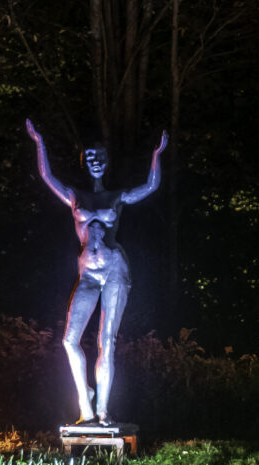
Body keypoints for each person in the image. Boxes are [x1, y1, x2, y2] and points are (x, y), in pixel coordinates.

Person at [26, 121, 168, 425]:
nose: (95, 160)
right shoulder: (74, 196)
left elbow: (151, 185)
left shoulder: (117, 196)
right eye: (89, 155)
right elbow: (46, 176)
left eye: (100, 155)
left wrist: (157, 154)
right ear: (83, 160)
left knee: (107, 339)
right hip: (88, 273)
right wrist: (39, 141)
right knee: (69, 340)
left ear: (107, 160)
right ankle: (85, 402)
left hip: (115, 268)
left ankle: (103, 411)